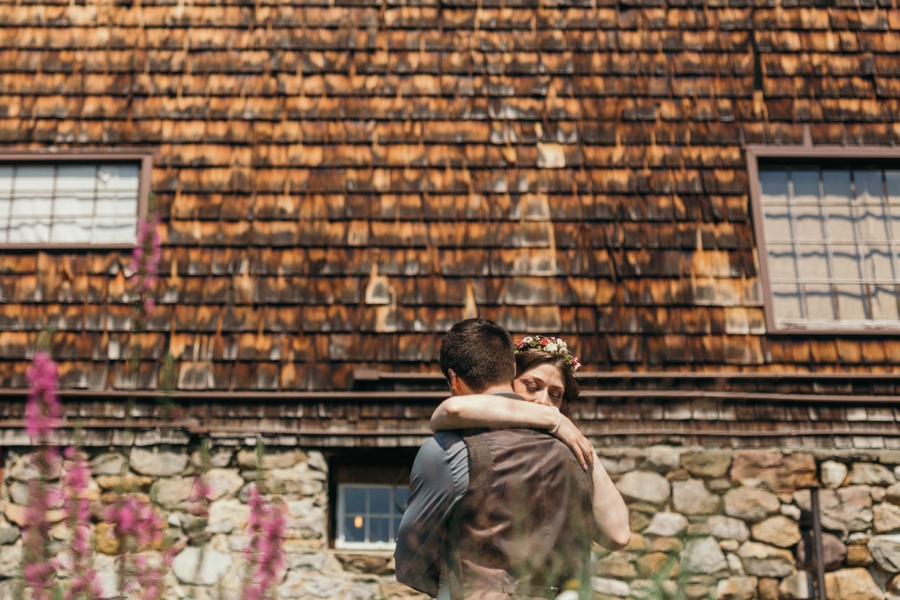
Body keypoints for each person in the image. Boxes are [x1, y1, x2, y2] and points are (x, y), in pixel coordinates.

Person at [395, 319, 598, 600]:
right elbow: (613, 536)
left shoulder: (446, 448)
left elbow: (411, 557)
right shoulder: (571, 451)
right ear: (512, 369)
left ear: (454, 379)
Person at [430, 335, 631, 551]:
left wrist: (583, 446)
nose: (544, 401)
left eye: (555, 395)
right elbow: (451, 410)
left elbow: (618, 535)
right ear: (508, 381)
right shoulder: (483, 429)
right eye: (532, 387)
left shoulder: (565, 447)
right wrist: (554, 419)